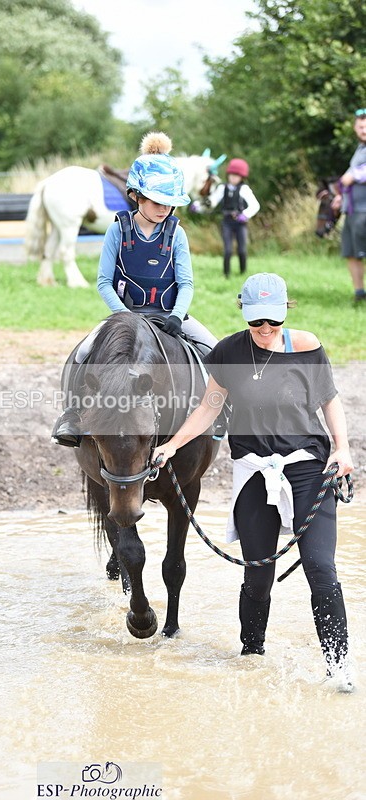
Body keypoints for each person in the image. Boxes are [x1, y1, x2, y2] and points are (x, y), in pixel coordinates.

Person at [152, 272, 355, 692]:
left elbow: (330, 399)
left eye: (273, 323)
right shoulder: (228, 351)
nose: (265, 331)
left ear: (285, 314)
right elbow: (210, 406)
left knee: (320, 567)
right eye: (256, 322)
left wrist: (343, 449)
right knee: (257, 577)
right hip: (253, 470)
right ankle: (251, 656)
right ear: (244, 312)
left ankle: (339, 668)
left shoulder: (307, 346)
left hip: (307, 466)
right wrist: (172, 445)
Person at [52, 131, 218, 447]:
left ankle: (219, 413)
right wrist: (124, 317)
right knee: (84, 352)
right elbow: (103, 281)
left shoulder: (177, 234)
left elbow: (186, 283)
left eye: (170, 203)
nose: (164, 209)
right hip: (126, 315)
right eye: (157, 202)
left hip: (170, 315)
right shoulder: (118, 229)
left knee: (215, 349)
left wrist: (177, 315)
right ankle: (72, 415)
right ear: (136, 196)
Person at [331, 108, 366, 302]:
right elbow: (346, 181)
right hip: (352, 210)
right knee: (351, 253)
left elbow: (353, 176)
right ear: (355, 128)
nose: (364, 130)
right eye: (361, 127)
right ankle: (360, 294)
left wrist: (355, 176)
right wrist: (340, 198)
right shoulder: (359, 150)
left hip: (365, 211)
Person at [206, 158, 260, 278]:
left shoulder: (244, 189)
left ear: (241, 177)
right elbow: (212, 201)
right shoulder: (222, 188)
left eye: (236, 176)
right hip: (227, 222)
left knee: (242, 250)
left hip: (240, 222)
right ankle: (226, 274)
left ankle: (243, 272)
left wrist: (245, 215)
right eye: (232, 175)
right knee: (228, 250)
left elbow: (255, 205)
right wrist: (201, 205)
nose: (233, 178)